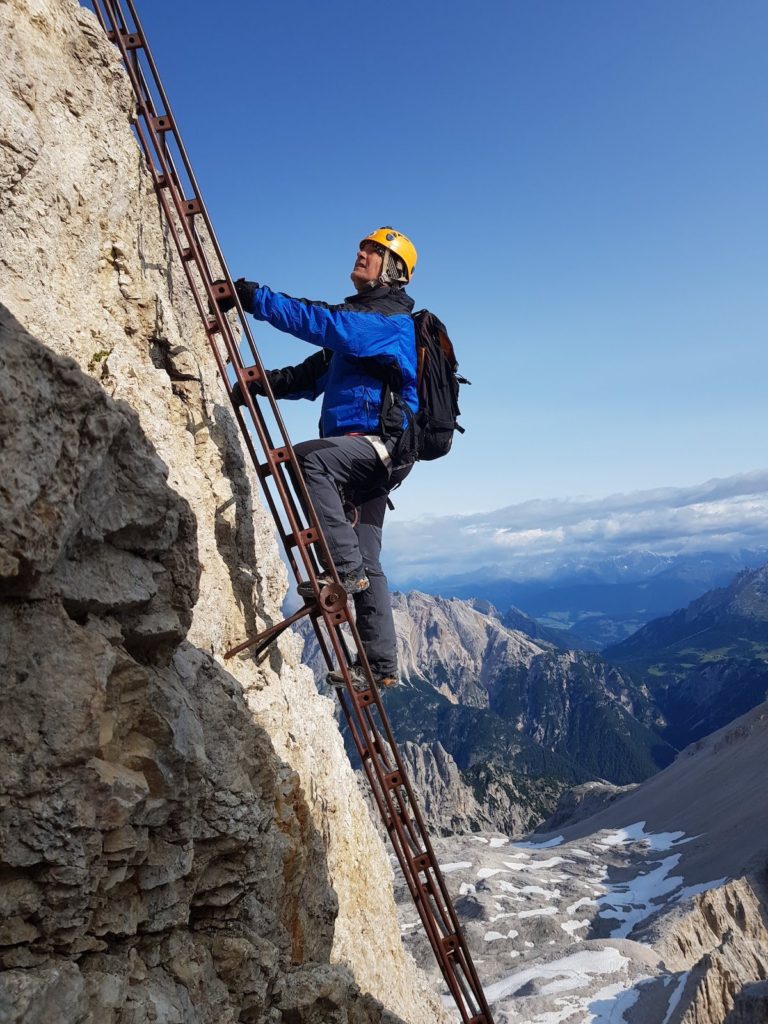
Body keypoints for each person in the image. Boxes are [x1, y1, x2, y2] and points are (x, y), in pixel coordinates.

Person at [217, 227, 419, 690]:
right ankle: (381, 665)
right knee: (369, 557)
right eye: (363, 247)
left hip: (374, 448)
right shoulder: (362, 332)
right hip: (375, 455)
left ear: (393, 269)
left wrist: (254, 298)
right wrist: (258, 384)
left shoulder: (386, 324)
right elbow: (311, 376)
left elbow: (327, 323)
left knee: (308, 462)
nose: (361, 253)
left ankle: (343, 572)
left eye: (373, 250)